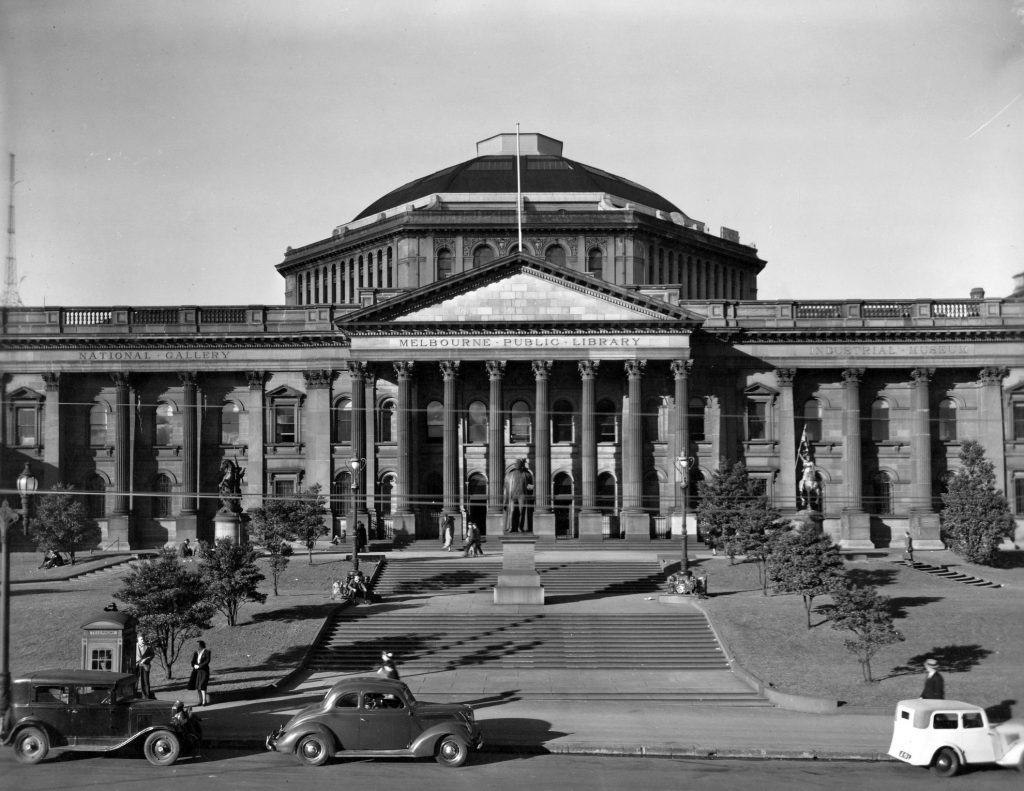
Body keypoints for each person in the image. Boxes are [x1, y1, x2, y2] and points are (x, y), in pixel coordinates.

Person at [187, 639, 211, 706]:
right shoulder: (196, 652)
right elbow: (193, 661)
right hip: (197, 671)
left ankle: (204, 701)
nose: (197, 646)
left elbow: (207, 661)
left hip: (204, 671)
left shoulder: (207, 651)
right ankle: (200, 701)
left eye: (198, 644)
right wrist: (194, 665)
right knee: (198, 686)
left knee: (202, 685)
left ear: (201, 645)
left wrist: (200, 666)